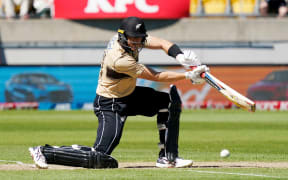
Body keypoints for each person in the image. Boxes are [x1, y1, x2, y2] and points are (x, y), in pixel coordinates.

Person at [28, 16, 209, 169]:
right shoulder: (119, 59)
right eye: (133, 39)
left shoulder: (132, 39)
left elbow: (162, 43)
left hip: (128, 95)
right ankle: (44, 152)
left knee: (168, 101)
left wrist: (180, 56)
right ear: (122, 37)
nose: (137, 43)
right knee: (100, 156)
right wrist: (187, 75)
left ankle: (168, 157)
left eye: (140, 39)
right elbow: (155, 76)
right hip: (110, 103)